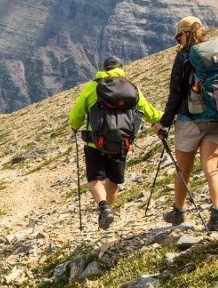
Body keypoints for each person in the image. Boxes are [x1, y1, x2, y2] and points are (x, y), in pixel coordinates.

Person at [150, 17, 218, 231]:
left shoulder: (184, 56)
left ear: (185, 34)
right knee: (211, 167)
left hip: (189, 119)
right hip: (216, 118)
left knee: (183, 169)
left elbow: (175, 93)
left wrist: (163, 123)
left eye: (178, 36)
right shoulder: (215, 53)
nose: (177, 41)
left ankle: (179, 211)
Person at [68, 56, 160, 229]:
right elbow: (149, 112)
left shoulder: (93, 87)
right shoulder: (131, 88)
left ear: (104, 68)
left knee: (95, 178)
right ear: (121, 68)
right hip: (121, 144)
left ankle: (103, 208)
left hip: (95, 143)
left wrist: (74, 126)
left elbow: (77, 114)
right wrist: (167, 118)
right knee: (113, 181)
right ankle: (108, 211)